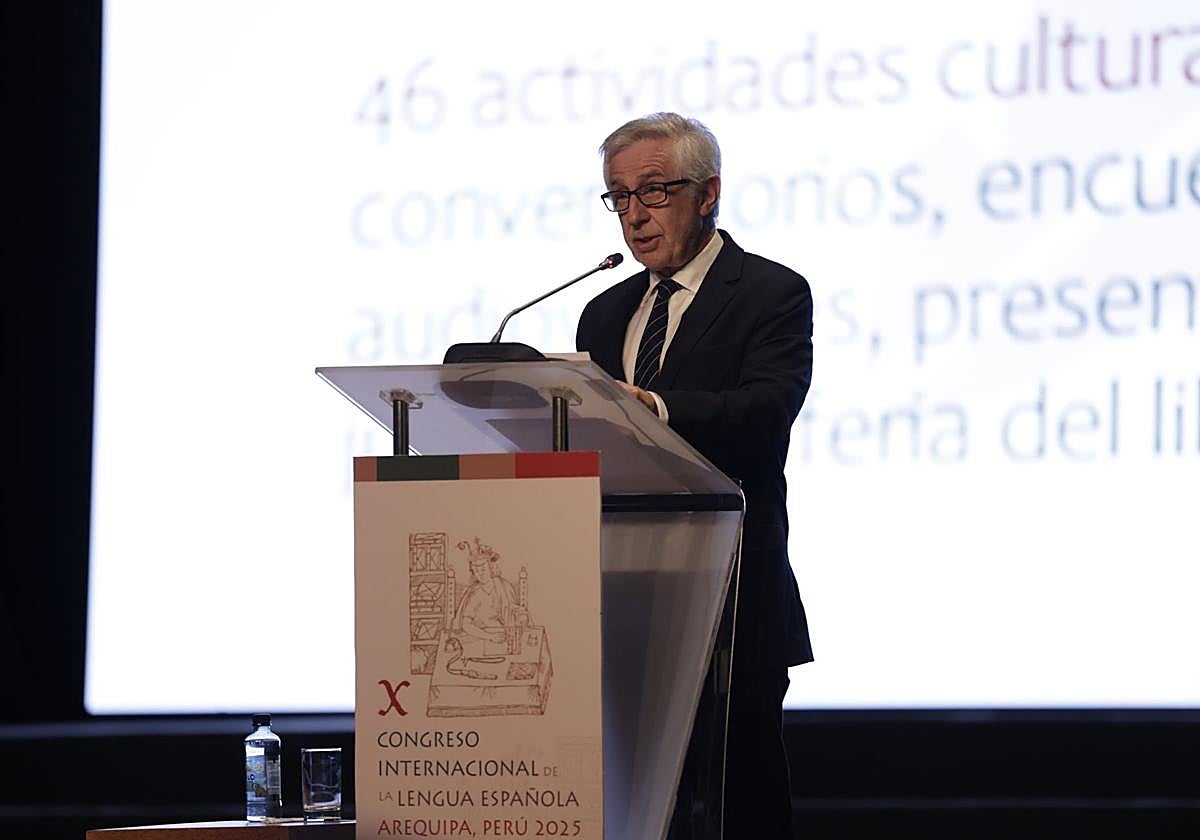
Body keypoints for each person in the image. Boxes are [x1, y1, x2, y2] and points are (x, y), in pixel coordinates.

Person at [576, 112, 813, 838]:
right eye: (618, 196)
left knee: (741, 801)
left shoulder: (770, 293)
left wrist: (656, 407)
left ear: (707, 193)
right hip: (619, 598)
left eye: (653, 190)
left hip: (731, 593)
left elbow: (766, 410)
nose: (634, 215)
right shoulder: (604, 310)